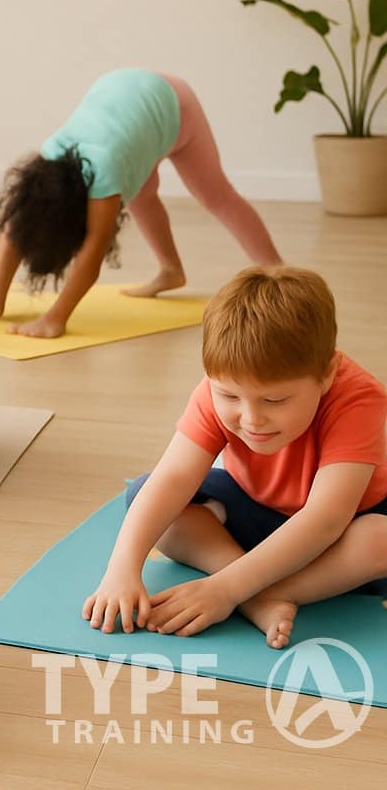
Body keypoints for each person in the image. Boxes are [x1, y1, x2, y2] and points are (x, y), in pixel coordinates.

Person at [83, 265, 387, 649]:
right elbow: (173, 478)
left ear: (326, 375)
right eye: (229, 396)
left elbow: (326, 518)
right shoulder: (217, 387)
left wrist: (225, 590)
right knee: (149, 498)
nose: (251, 417)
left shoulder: (358, 397)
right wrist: (122, 569)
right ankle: (259, 598)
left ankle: (261, 590)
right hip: (258, 512)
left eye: (274, 400)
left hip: (341, 529)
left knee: (380, 540)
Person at [0, 69, 282, 338]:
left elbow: (94, 251)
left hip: (175, 103)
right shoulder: (48, 160)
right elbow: (13, 228)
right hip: (125, 97)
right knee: (141, 193)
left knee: (216, 195)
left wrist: (56, 317)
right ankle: (171, 271)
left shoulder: (105, 171)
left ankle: (277, 269)